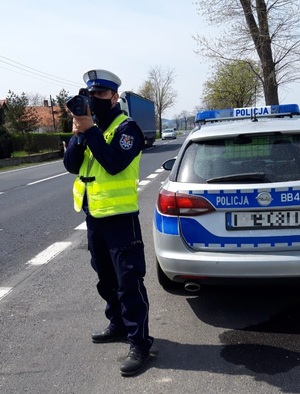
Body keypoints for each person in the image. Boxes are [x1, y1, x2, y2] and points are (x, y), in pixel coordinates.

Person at [63, 69, 153, 376]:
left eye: (101, 94)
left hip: (120, 220)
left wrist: (89, 131)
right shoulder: (90, 128)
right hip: (94, 218)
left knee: (129, 282)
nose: (94, 100)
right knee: (105, 278)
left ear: (115, 97)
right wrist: (78, 134)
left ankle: (140, 343)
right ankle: (117, 324)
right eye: (91, 95)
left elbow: (114, 163)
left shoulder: (128, 129)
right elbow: (71, 166)